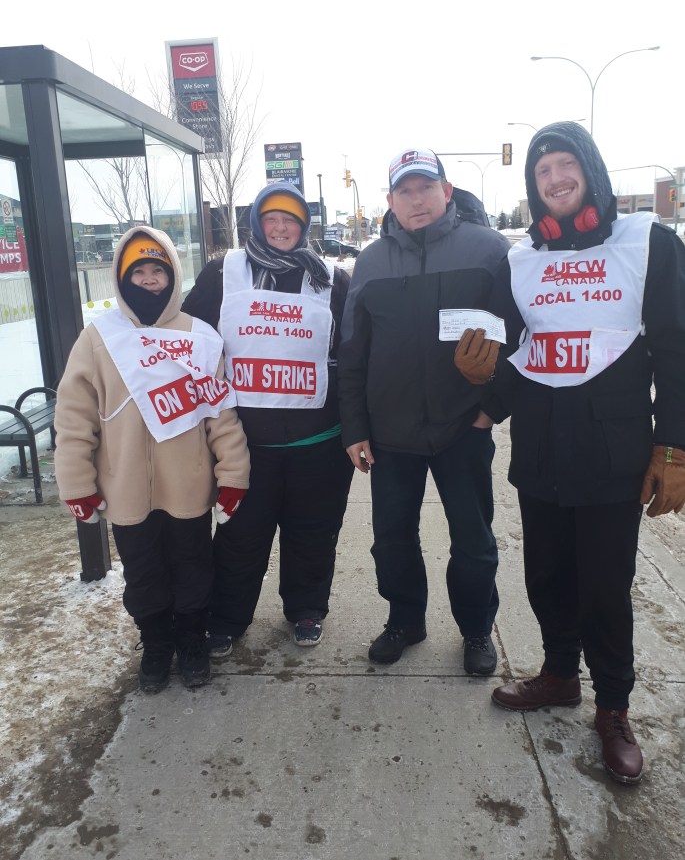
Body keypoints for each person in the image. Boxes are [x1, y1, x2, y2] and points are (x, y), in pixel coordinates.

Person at [455, 121, 685, 785]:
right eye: (541, 171)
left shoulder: (647, 243)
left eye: (564, 165)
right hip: (540, 447)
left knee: (604, 586)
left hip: (612, 450)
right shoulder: (521, 260)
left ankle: (612, 707)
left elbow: (674, 350)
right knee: (547, 573)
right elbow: (514, 351)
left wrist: (674, 445)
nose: (554, 179)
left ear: (589, 169)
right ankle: (559, 673)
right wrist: (480, 392)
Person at [337, 148, 511, 672]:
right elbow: (353, 351)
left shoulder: (489, 251)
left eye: (426, 188)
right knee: (391, 540)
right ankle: (405, 620)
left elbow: (519, 338)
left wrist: (490, 410)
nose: (417, 200)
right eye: (405, 192)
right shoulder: (371, 261)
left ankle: (476, 630)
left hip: (463, 428)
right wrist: (355, 427)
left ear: (446, 191)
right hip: (390, 433)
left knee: (473, 541)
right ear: (390, 201)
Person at [55, 227, 250, 693]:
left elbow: (221, 414)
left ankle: (191, 640)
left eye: (157, 271)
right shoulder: (99, 339)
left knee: (193, 568)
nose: (148, 280)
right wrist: (77, 483)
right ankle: (156, 643)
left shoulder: (199, 338)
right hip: (125, 489)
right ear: (122, 278)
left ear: (172, 276)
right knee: (143, 574)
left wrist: (233, 474)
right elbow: (75, 418)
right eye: (138, 271)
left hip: (188, 486)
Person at [182, 182, 354, 652]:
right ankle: (227, 617)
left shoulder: (329, 279)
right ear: (256, 223)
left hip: (318, 442)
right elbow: (189, 338)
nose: (280, 228)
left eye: (290, 219)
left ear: (304, 226)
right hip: (246, 444)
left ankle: (306, 608)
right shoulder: (224, 272)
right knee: (240, 536)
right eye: (271, 218)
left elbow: (355, 348)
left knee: (313, 534)